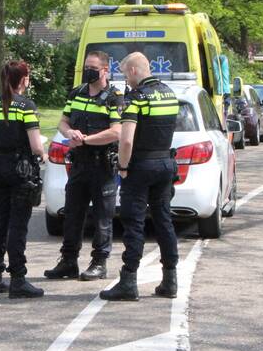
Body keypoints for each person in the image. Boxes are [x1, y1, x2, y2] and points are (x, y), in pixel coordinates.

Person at [101, 52, 180, 302]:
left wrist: (123, 166)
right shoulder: (169, 94)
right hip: (166, 163)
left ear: (134, 71)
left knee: (134, 224)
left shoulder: (136, 99)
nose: (126, 79)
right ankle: (170, 280)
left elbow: (126, 139)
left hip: (141, 165)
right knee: (164, 220)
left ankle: (128, 282)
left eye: (125, 74)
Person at [43, 51, 122, 282]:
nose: (88, 71)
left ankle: (99, 263)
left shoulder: (114, 97)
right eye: (86, 66)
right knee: (72, 215)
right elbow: (63, 121)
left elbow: (117, 132)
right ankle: (68, 261)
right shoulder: (77, 93)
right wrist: (69, 133)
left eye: (93, 68)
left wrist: (86, 139)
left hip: (102, 165)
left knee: (102, 217)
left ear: (105, 70)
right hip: (78, 164)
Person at [0, 60, 47, 299]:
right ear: (22, 80)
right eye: (27, 77)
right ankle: (18, 278)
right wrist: (44, 154)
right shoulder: (26, 106)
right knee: (18, 225)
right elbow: (36, 146)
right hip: (21, 169)